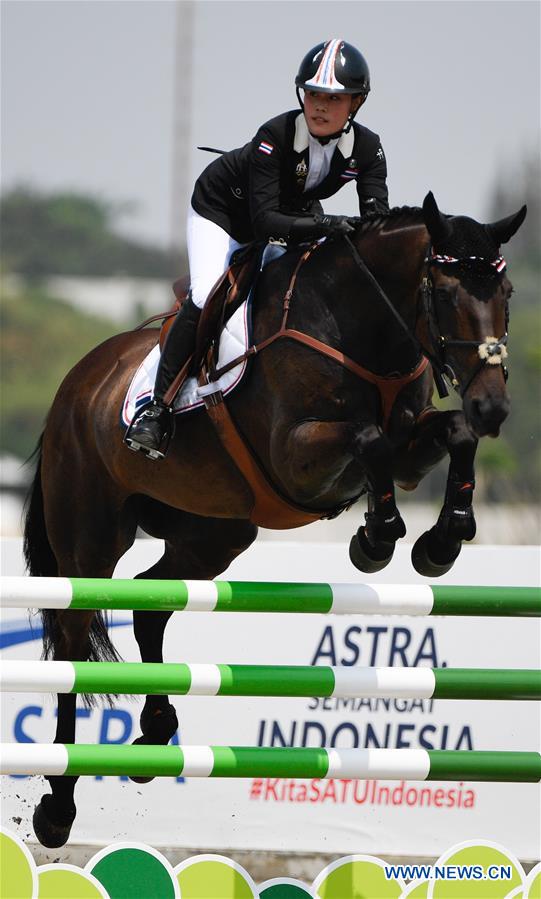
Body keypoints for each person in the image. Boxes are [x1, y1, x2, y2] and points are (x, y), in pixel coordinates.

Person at [125, 38, 390, 459]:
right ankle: (156, 410)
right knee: (207, 291)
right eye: (314, 95)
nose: (320, 106)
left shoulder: (369, 148)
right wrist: (325, 223)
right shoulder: (275, 134)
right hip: (224, 214)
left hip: (292, 213)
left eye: (333, 98)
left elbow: (376, 223)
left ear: (356, 103)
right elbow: (265, 222)